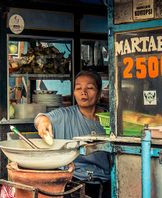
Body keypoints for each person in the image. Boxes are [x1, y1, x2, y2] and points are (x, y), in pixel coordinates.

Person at [34, 70, 110, 198]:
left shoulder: (109, 118)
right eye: (78, 88)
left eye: (90, 88)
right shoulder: (65, 115)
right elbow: (41, 118)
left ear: (99, 93)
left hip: (106, 183)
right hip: (74, 183)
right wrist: (42, 124)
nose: (83, 92)